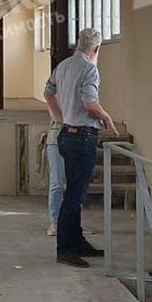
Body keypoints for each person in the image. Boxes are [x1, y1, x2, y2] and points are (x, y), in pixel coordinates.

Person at [44, 28, 118, 268]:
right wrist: (106, 117)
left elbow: (48, 93)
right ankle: (65, 248)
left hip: (66, 134)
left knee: (74, 192)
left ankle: (76, 242)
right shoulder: (89, 68)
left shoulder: (63, 66)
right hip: (82, 137)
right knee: (75, 194)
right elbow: (90, 103)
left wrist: (62, 116)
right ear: (96, 49)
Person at [45, 119, 64, 236]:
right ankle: (55, 222)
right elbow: (58, 116)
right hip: (57, 139)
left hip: (79, 140)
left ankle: (74, 222)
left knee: (76, 184)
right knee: (57, 182)